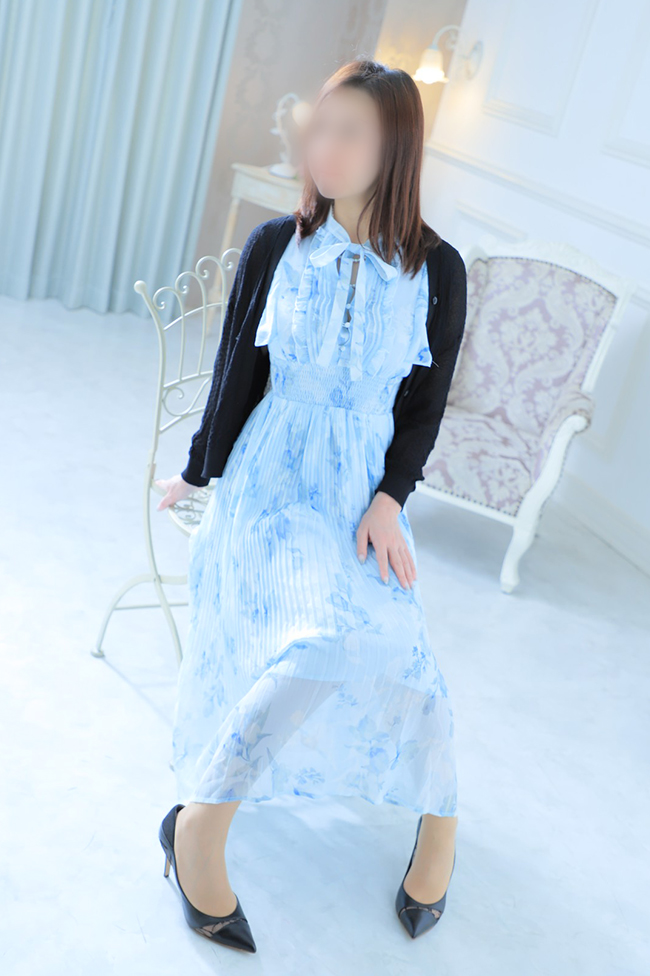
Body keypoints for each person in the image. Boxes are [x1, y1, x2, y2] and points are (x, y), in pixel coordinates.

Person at [155, 58, 467, 953]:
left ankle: (440, 828)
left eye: (347, 131)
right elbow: (236, 376)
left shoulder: (438, 270)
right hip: (269, 487)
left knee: (409, 656)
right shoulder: (275, 248)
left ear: (394, 147)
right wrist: (199, 472)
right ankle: (200, 830)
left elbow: (426, 404)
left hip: (359, 499)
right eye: (319, 126)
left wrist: (390, 498)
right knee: (315, 644)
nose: (321, 146)